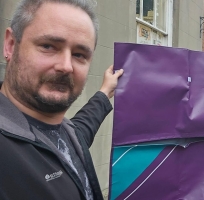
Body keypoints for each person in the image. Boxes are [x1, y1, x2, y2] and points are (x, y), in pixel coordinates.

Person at [0, 0, 123, 199]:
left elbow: (81, 129)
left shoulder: (68, 134)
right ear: (11, 45)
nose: (66, 66)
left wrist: (104, 91)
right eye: (48, 46)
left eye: (79, 55)